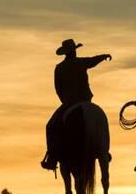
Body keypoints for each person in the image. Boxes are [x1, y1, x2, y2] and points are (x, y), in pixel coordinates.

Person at [41, 39, 112, 171]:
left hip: (69, 103)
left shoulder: (59, 68)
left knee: (50, 126)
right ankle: (104, 151)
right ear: (74, 51)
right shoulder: (81, 62)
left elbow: (58, 89)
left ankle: (52, 158)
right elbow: (93, 60)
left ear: (65, 53)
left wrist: (65, 101)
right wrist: (104, 56)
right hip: (86, 101)